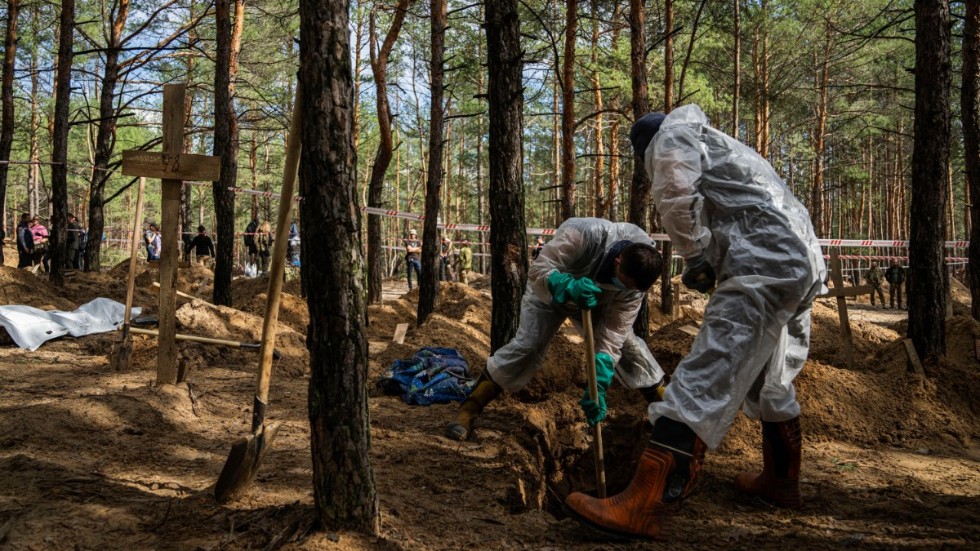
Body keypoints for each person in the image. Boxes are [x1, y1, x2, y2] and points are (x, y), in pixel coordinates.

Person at [564, 105, 828, 540]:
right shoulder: (720, 145)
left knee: (704, 375)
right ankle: (781, 482)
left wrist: (696, 257)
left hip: (762, 265)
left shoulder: (669, 138)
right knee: (772, 380)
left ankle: (644, 505)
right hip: (800, 260)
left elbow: (674, 193)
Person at [445, 217, 668, 441]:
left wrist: (598, 382)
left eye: (631, 289)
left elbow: (613, 333)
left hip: (597, 302)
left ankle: (669, 419)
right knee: (529, 346)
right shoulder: (585, 235)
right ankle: (469, 409)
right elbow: (539, 269)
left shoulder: (635, 285)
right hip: (550, 291)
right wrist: (566, 285)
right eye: (623, 282)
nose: (625, 289)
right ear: (618, 261)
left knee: (630, 350)